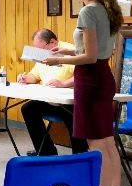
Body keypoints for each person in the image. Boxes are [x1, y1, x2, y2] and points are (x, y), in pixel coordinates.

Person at [44, 0, 124, 186]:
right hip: (103, 76)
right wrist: (65, 53)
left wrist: (56, 63)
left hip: (90, 80)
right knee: (108, 144)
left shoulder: (88, 11)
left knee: (97, 146)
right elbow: (96, 52)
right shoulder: (105, 9)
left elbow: (89, 57)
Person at [18, 28, 87, 156]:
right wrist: (25, 78)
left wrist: (63, 84)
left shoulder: (70, 51)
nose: (39, 52)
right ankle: (45, 151)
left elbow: (82, 75)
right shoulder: (43, 54)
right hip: (50, 100)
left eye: (41, 48)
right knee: (28, 108)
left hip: (71, 102)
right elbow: (35, 76)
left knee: (72, 115)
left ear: (53, 42)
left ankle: (79, 155)